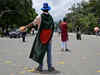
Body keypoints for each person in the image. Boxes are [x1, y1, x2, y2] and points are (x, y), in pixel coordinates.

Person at [26, 3, 55, 72]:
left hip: (41, 38)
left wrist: (25, 27)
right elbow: (53, 28)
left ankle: (40, 67)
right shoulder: (51, 17)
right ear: (48, 9)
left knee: (40, 52)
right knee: (49, 53)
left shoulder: (39, 17)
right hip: (49, 38)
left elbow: (33, 23)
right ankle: (50, 67)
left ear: (43, 9)